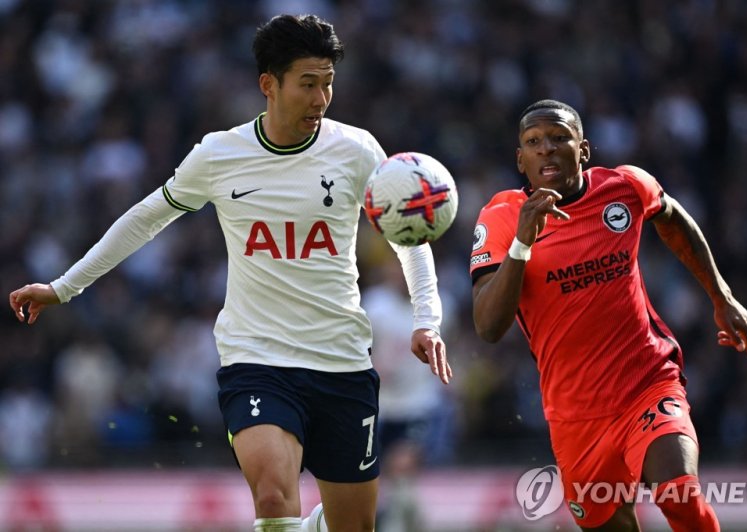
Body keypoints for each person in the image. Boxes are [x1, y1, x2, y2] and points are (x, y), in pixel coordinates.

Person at [9, 14, 452, 532]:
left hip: (342, 362)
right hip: (256, 357)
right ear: (269, 83)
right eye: (308, 84)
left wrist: (427, 318)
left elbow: (408, 237)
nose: (320, 99)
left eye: (328, 84)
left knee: (352, 526)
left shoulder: (357, 151)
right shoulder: (220, 154)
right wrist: (65, 286)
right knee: (272, 496)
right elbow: (146, 218)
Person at [470, 99, 747, 531]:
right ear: (521, 160)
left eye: (558, 138)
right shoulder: (503, 217)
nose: (546, 149)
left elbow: (674, 218)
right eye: (533, 143)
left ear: (583, 149)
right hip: (575, 414)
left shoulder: (624, 187)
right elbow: (489, 327)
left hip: (647, 383)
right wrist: (522, 244)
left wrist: (722, 296)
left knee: (679, 492)